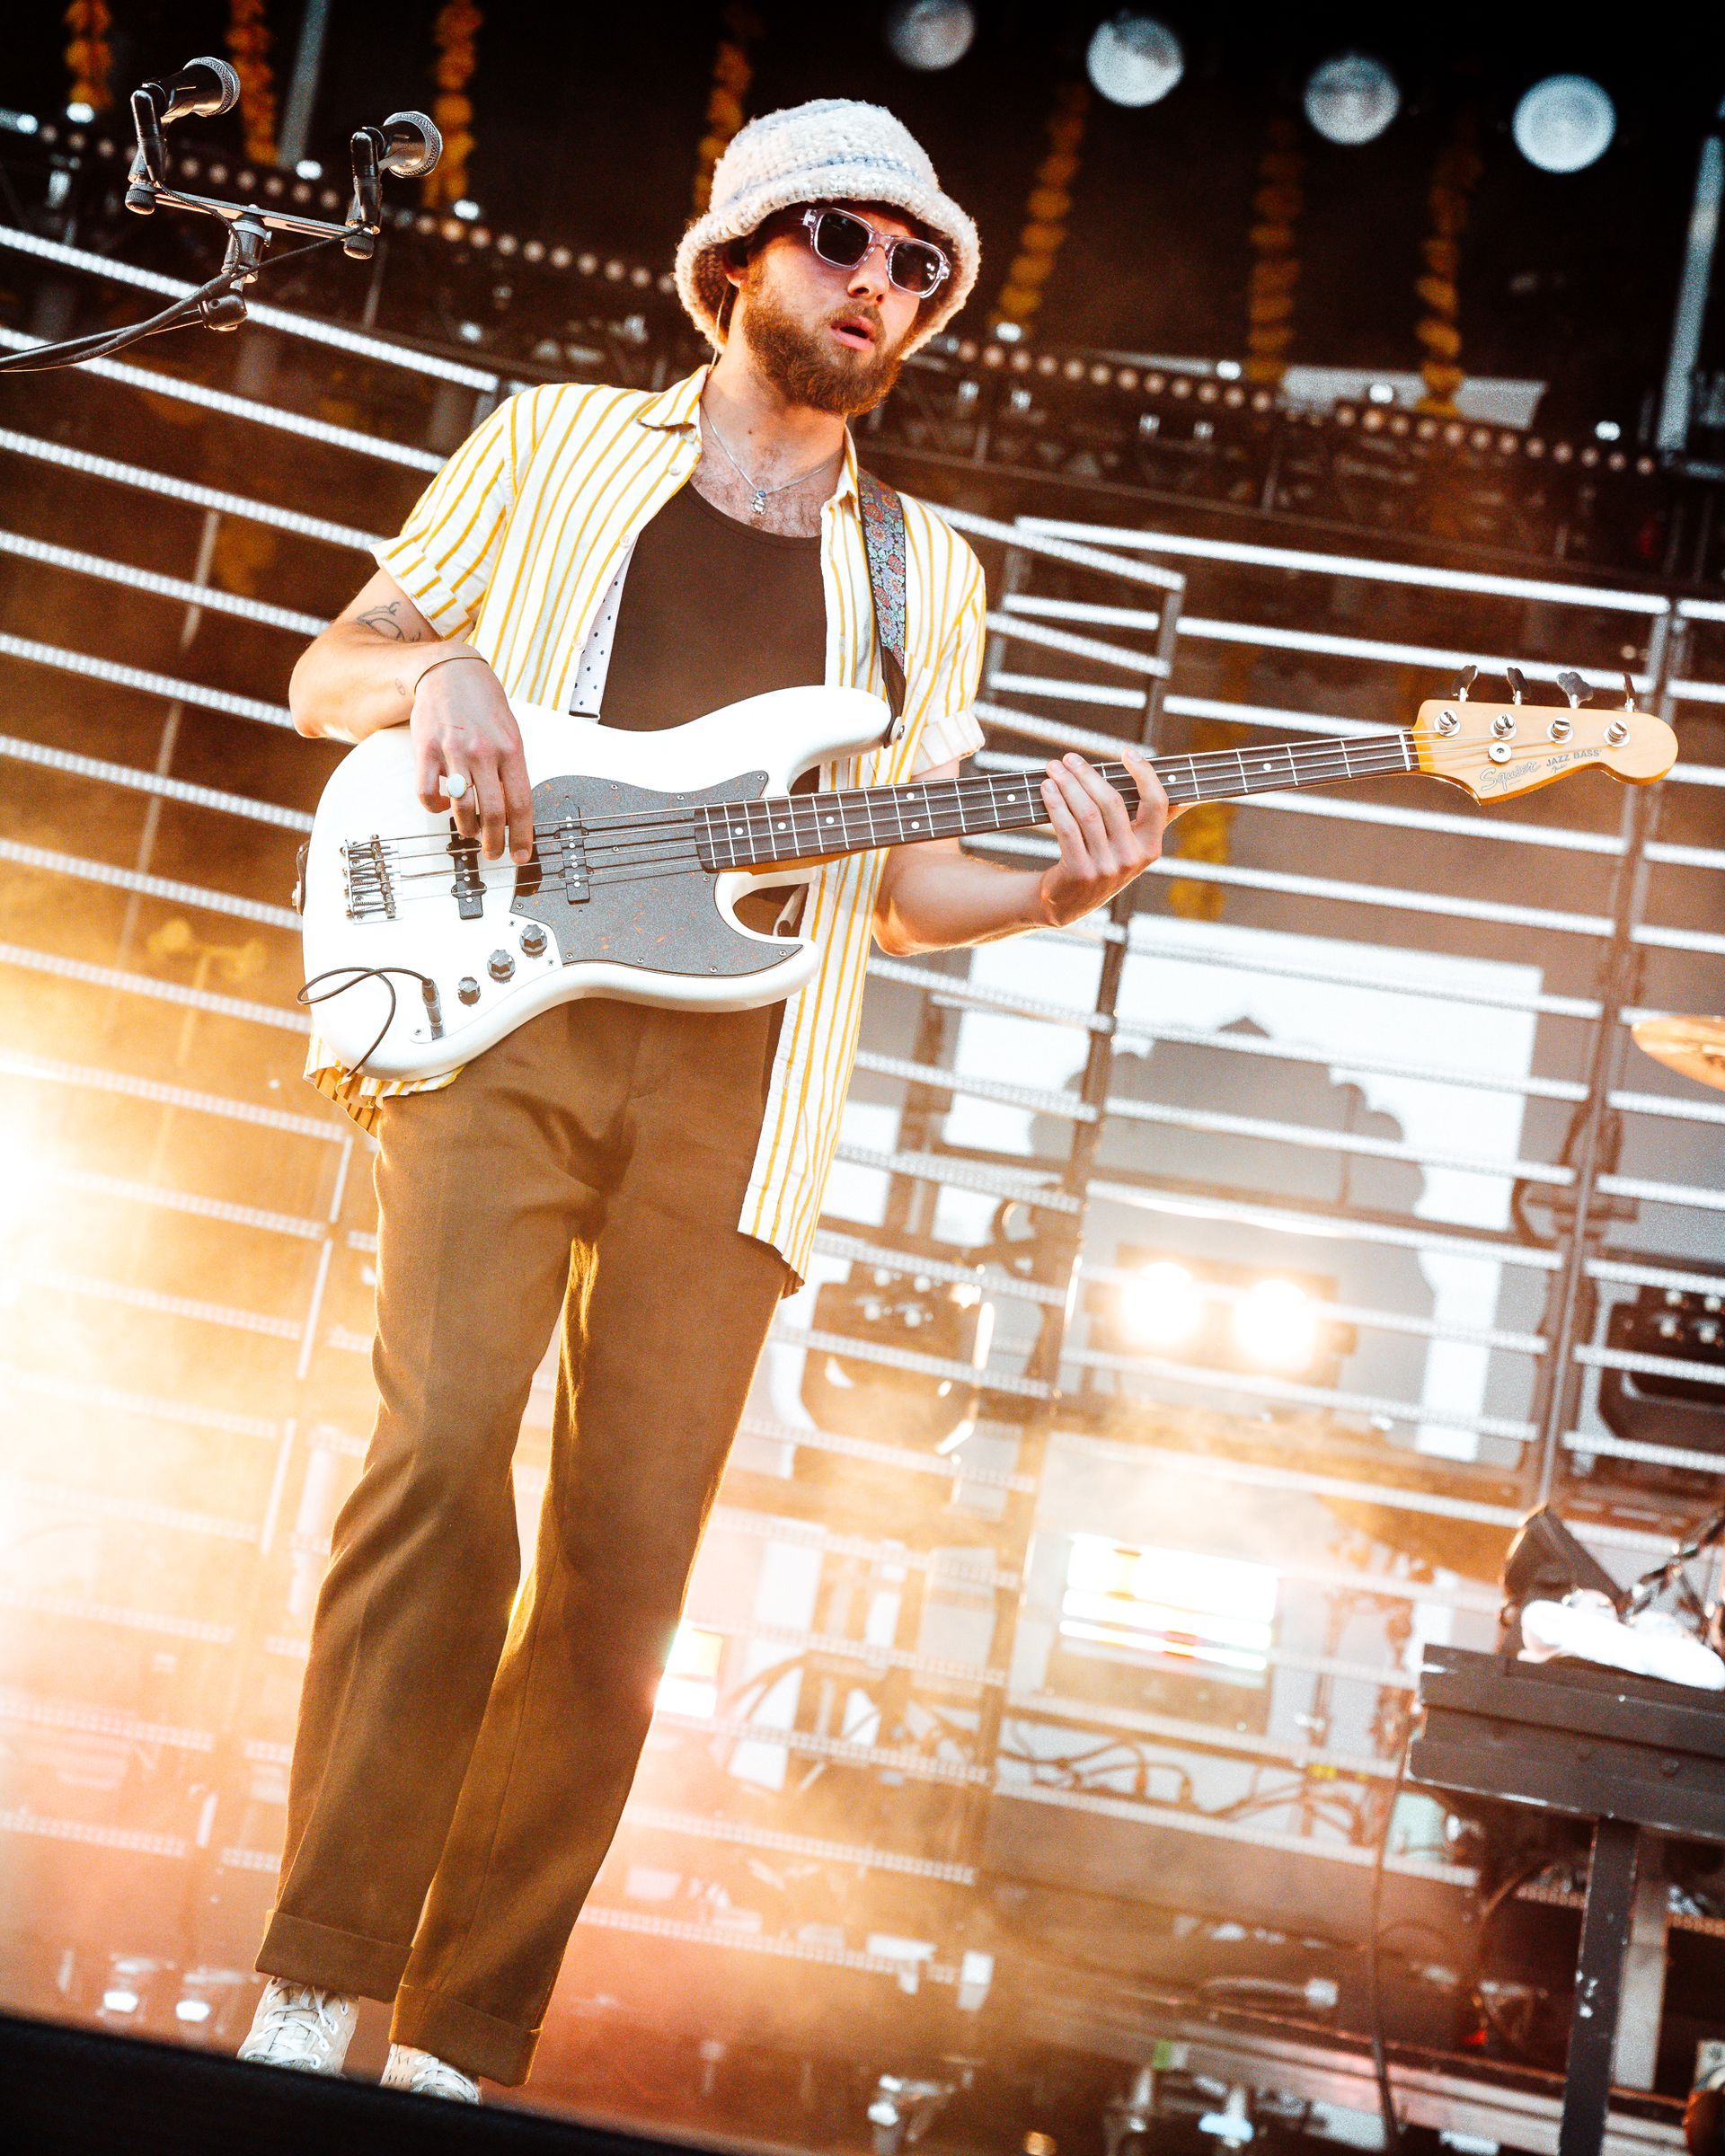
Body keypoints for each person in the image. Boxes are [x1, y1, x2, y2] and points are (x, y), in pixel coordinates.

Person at [237, 97, 1171, 2100]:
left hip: (750, 1078)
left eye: (918, 268)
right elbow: (329, 674)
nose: (879, 286)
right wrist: (439, 676)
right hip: (505, 1024)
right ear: (739, 252)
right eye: (844, 239)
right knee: (439, 1459)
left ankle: (459, 2040)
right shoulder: (556, 441)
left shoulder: (927, 572)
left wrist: (1054, 890)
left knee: (626, 1571)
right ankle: (318, 1980)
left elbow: (901, 884)